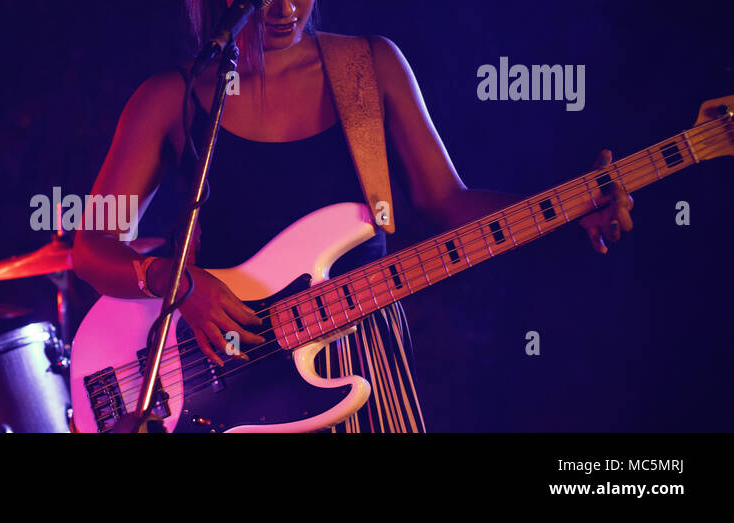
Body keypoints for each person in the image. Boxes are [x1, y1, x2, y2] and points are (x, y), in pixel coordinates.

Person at [72, 0, 634, 432]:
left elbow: (446, 203)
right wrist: (171, 279)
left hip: (363, 363)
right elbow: (90, 246)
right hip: (221, 375)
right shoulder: (168, 98)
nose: (284, 8)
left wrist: (568, 207)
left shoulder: (371, 67)